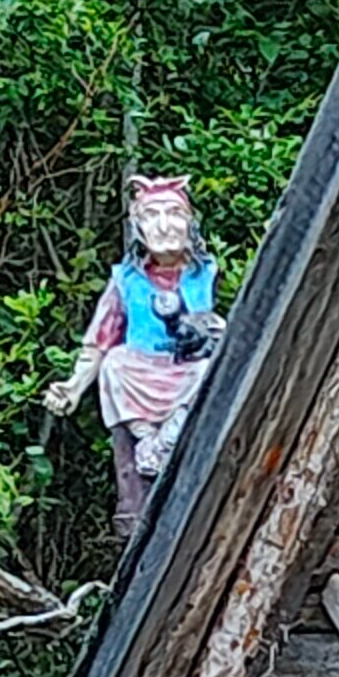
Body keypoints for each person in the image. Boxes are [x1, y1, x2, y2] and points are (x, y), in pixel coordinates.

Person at [45, 175, 225, 539]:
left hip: (187, 370)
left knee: (210, 371)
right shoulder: (126, 280)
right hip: (141, 371)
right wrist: (74, 386)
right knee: (115, 362)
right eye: (152, 215)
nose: (164, 224)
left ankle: (165, 442)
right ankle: (147, 440)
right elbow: (99, 339)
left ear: (190, 222)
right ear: (138, 226)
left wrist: (211, 328)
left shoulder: (204, 273)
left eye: (174, 213)